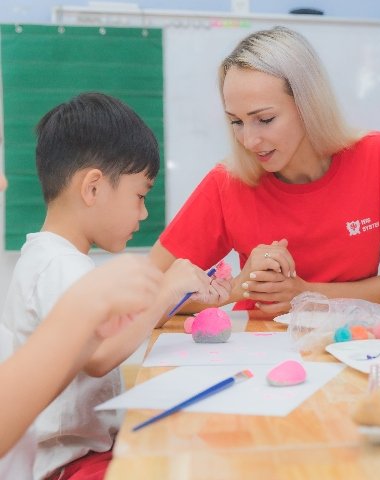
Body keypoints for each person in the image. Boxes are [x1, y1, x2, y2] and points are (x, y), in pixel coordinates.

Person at [0, 92, 229, 480]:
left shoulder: (53, 257)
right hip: (68, 465)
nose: (143, 212)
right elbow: (98, 356)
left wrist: (171, 295)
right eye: (139, 196)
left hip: (80, 455)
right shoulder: (60, 264)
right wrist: (164, 291)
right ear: (92, 188)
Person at [149, 26, 380, 316]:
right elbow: (149, 294)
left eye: (265, 119)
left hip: (355, 338)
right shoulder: (227, 183)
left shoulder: (379, 157)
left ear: (308, 104)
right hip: (256, 341)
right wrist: (238, 287)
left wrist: (307, 294)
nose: (249, 140)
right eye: (236, 122)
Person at [0, 253, 162, 477]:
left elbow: (31, 387)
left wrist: (91, 334)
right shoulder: (58, 264)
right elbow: (98, 360)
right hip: (67, 460)